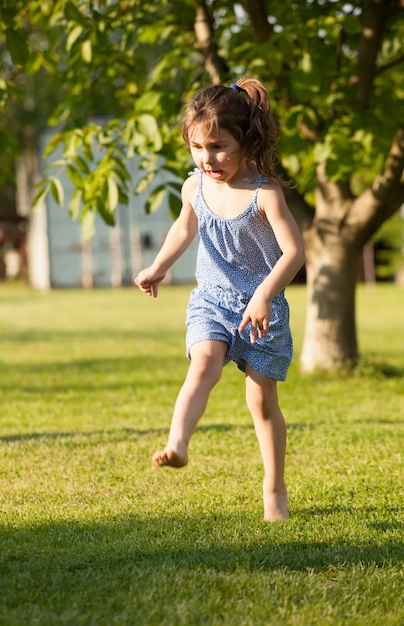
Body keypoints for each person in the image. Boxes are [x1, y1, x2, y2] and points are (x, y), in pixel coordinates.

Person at [135, 77, 305, 521]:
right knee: (204, 364)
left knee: (262, 403)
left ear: (245, 140)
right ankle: (178, 443)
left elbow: (294, 252)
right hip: (212, 300)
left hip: (260, 309)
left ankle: (275, 492)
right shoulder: (196, 187)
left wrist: (266, 294)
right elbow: (183, 229)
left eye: (217, 147)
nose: (207, 159)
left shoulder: (265, 193)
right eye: (197, 147)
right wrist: (159, 266)